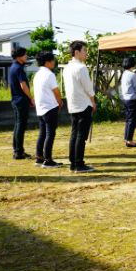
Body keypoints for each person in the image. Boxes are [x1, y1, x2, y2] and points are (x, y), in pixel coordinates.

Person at [62, 41, 96, 173]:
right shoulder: (81, 68)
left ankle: (73, 164)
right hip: (83, 103)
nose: (86, 53)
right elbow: (88, 88)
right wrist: (92, 101)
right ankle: (79, 164)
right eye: (84, 50)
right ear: (77, 52)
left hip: (72, 104)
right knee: (81, 136)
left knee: (74, 134)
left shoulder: (66, 68)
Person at [33, 52, 64, 168]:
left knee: (42, 133)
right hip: (50, 107)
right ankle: (48, 159)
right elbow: (56, 92)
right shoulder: (49, 75)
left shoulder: (37, 74)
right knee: (50, 134)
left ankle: (39, 158)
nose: (54, 62)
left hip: (40, 108)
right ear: (47, 62)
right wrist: (59, 103)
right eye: (52, 60)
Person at [9, 46, 34, 160]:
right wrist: (31, 98)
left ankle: (18, 150)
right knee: (20, 126)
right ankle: (19, 152)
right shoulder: (18, 68)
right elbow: (23, 85)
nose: (26, 56)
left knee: (17, 126)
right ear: (19, 56)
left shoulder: (13, 67)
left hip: (16, 100)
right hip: (21, 100)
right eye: (24, 54)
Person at [121, 56, 136, 148]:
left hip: (126, 99)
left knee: (128, 120)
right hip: (133, 99)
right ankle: (129, 141)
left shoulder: (124, 74)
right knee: (132, 121)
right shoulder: (132, 75)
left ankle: (128, 139)